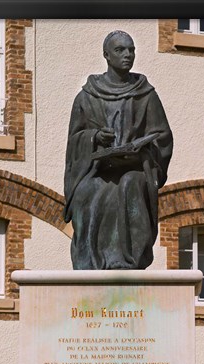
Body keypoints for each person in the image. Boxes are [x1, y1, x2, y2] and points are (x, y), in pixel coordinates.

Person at [63, 30, 173, 270]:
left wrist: (142, 150)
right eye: (120, 50)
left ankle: (127, 261)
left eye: (131, 50)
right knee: (87, 193)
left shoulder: (146, 94)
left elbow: (163, 137)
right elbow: (74, 142)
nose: (128, 55)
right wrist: (94, 137)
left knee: (130, 185)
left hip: (135, 169)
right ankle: (91, 262)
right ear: (106, 55)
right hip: (97, 171)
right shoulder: (87, 96)